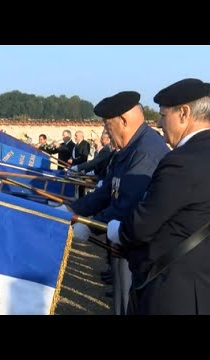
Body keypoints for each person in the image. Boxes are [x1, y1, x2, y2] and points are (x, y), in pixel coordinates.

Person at [107, 78, 210, 315]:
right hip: (207, 293)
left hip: (172, 293)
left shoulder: (181, 161)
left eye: (163, 115)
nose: (160, 123)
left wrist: (115, 230)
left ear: (183, 113)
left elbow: (144, 224)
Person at [67, 91, 170, 315]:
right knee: (122, 300)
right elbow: (106, 192)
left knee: (128, 303)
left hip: (138, 245)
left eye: (107, 125)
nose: (106, 131)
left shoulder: (146, 151)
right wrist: (70, 211)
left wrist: (89, 224)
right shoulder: (130, 148)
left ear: (123, 121)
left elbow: (128, 203)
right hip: (123, 239)